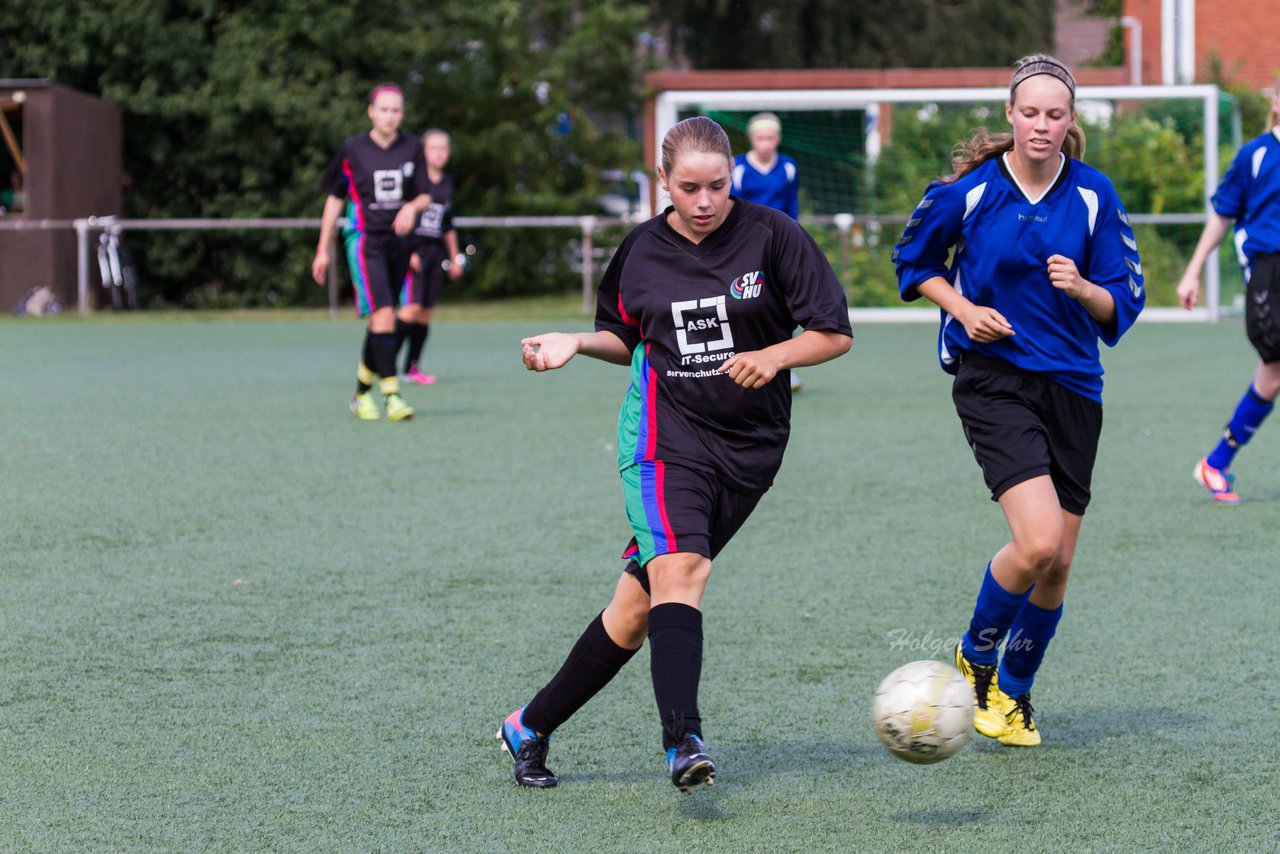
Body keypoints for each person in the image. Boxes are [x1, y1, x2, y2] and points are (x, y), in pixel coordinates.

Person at [498, 116, 852, 792]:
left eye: (717, 186)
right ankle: (682, 740)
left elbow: (833, 332)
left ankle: (528, 725)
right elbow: (622, 335)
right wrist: (576, 342)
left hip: (752, 449)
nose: (704, 201)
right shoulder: (640, 251)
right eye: (688, 187)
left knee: (636, 610)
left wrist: (775, 355)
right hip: (665, 439)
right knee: (683, 570)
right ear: (663, 181)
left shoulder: (773, 236)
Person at [894, 55, 1145, 746]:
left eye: (1054, 114)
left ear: (1071, 122)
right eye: (1029, 113)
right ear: (1010, 116)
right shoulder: (971, 192)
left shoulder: (1094, 195)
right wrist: (962, 306)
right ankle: (976, 655)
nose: (1041, 125)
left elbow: (1125, 297)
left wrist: (1083, 288)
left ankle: (1016, 693)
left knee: (1059, 563)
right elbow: (913, 263)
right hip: (994, 377)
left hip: (1074, 385)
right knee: (1036, 542)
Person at [1175, 77, 1280, 504]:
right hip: (1267, 281)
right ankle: (1215, 463)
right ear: (1276, 101)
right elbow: (1222, 217)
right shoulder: (1254, 156)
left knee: (1270, 379)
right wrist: (1193, 271)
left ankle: (1215, 463)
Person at [311, 84, 432, 421]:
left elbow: (424, 195)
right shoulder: (352, 150)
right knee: (384, 317)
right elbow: (335, 198)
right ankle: (391, 394)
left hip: (400, 243)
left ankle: (360, 393)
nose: (390, 116)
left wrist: (412, 206)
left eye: (396, 110)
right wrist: (323, 249)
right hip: (366, 242)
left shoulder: (412, 147)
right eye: (384, 110)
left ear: (402, 114)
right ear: (371, 111)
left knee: (384, 320)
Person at [732, 112, 804, 392]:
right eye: (761, 138)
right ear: (752, 138)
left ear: (778, 138)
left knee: (783, 304)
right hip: (745, 247)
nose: (766, 143)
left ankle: (787, 368)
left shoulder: (788, 167)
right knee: (746, 303)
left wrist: (795, 240)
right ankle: (740, 365)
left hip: (780, 246)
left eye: (771, 138)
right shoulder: (737, 167)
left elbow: (792, 207)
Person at [396, 129, 463, 386]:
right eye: (433, 148)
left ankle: (411, 368)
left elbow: (447, 224)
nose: (439, 153)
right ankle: (384, 363)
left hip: (435, 253)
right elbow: (402, 217)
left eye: (443, 149)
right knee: (410, 310)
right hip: (414, 250)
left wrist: (454, 257)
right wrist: (408, 250)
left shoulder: (447, 182)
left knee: (424, 313)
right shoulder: (413, 180)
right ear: (423, 151)